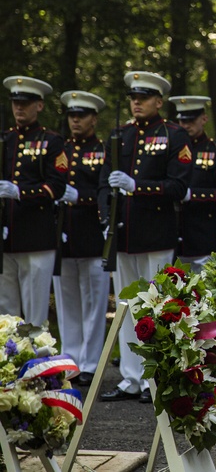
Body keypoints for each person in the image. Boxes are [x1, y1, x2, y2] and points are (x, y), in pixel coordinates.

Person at [99, 71, 193, 402]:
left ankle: (157, 374)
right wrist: (103, 219)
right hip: (124, 234)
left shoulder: (174, 135)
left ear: (158, 101)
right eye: (133, 97)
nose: (136, 102)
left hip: (156, 234)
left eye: (144, 97)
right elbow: (102, 183)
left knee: (157, 307)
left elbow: (179, 187)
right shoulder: (119, 135)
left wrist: (138, 187)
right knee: (126, 307)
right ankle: (130, 377)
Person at [0, 76, 68, 326]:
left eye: (25, 103)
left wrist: (20, 192)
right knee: (5, 310)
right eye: (15, 102)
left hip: (36, 235)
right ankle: (8, 361)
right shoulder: (5, 139)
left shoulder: (51, 141)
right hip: (7, 237)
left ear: (38, 105)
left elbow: (56, 186)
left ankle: (37, 362)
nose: (19, 107)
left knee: (34, 311)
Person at [54, 90, 109, 387]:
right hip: (65, 238)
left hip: (91, 236)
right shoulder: (60, 148)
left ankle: (90, 362)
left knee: (94, 303)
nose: (76, 120)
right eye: (72, 115)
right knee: (67, 304)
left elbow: (104, 190)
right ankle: (69, 359)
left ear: (94, 119)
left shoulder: (101, 150)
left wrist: (82, 197)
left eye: (82, 115)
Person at [169, 95, 216, 271]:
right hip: (175, 236)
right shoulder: (173, 150)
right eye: (182, 120)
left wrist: (192, 195)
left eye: (191, 120)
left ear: (204, 119)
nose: (186, 125)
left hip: (205, 236)